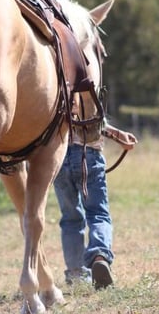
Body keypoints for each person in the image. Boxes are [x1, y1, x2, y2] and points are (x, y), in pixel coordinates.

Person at [53, 123, 137, 289]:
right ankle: (99, 255)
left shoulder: (52, 95)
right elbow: (92, 118)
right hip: (88, 153)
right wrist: (118, 134)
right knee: (98, 213)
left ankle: (77, 274)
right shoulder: (85, 95)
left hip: (58, 156)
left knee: (70, 218)